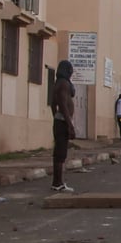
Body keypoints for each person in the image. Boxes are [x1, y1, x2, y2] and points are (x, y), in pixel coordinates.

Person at [50, 60, 76, 192]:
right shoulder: (64, 84)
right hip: (63, 122)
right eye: (70, 70)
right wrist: (69, 124)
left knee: (59, 153)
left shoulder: (58, 83)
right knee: (60, 154)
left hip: (59, 120)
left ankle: (57, 182)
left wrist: (56, 116)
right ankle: (57, 183)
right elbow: (63, 105)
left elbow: (53, 104)